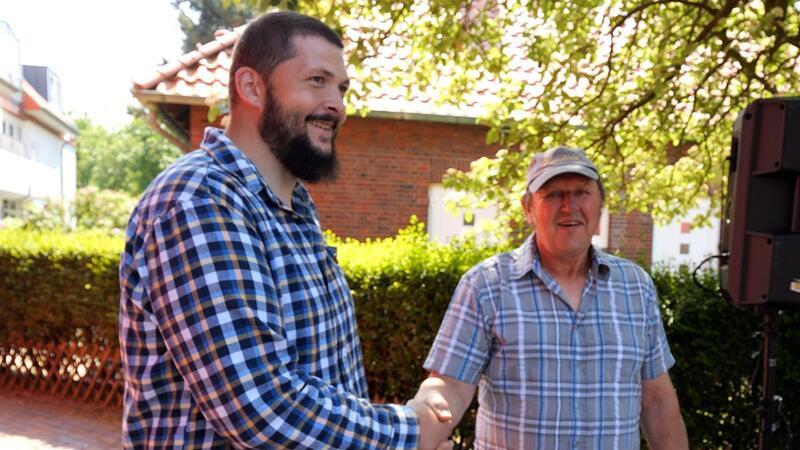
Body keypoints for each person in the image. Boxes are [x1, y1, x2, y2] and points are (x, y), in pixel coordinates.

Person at [119, 11, 450, 449]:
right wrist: (409, 435)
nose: (338, 105)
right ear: (252, 86)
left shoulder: (291, 206)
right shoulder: (200, 200)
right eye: (317, 80)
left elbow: (322, 379)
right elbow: (258, 407)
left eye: (342, 88)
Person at [413, 147, 689, 449]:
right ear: (528, 208)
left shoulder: (636, 287)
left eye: (582, 193)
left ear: (600, 205)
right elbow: (449, 385)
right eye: (553, 194)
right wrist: (422, 417)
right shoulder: (486, 286)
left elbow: (657, 400)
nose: (569, 206)